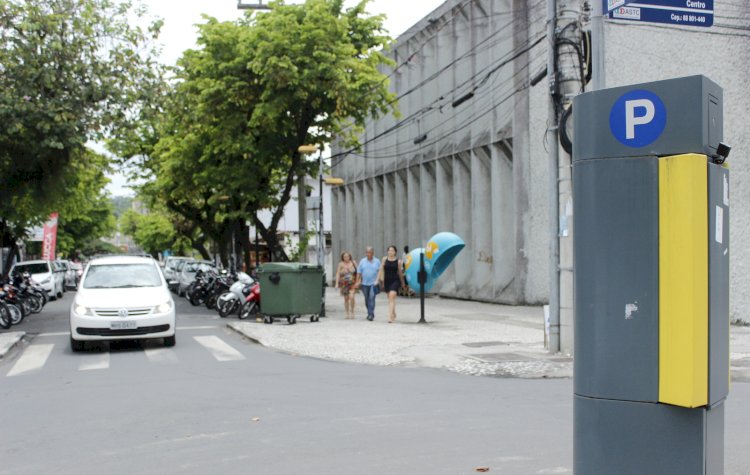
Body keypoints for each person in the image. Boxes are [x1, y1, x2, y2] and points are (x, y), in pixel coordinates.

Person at [378, 245, 406, 323]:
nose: (391, 252)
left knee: (391, 296)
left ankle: (389, 317)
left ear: (395, 252)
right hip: (387, 280)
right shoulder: (384, 259)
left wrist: (403, 282)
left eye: (392, 250)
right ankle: (393, 312)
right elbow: (381, 270)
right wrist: (381, 280)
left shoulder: (398, 261)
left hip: (395, 280)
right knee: (390, 299)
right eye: (389, 250)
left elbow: (400, 273)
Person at [357, 246, 380, 321]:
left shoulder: (377, 261)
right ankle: (369, 312)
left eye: (370, 252)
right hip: (364, 284)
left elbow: (380, 272)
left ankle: (371, 315)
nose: (368, 254)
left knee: (372, 298)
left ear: (373, 253)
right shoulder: (362, 261)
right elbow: (359, 272)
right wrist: (357, 281)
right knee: (367, 299)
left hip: (374, 284)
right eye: (367, 252)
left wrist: (379, 280)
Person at [335, 251, 358, 319]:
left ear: (350, 256)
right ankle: (347, 313)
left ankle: (352, 311)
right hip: (344, 284)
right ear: (342, 257)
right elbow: (337, 274)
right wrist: (336, 283)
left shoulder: (353, 262)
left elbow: (359, 271)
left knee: (352, 297)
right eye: (345, 256)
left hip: (352, 283)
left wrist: (358, 281)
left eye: (348, 256)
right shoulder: (341, 264)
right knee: (346, 299)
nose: (346, 258)